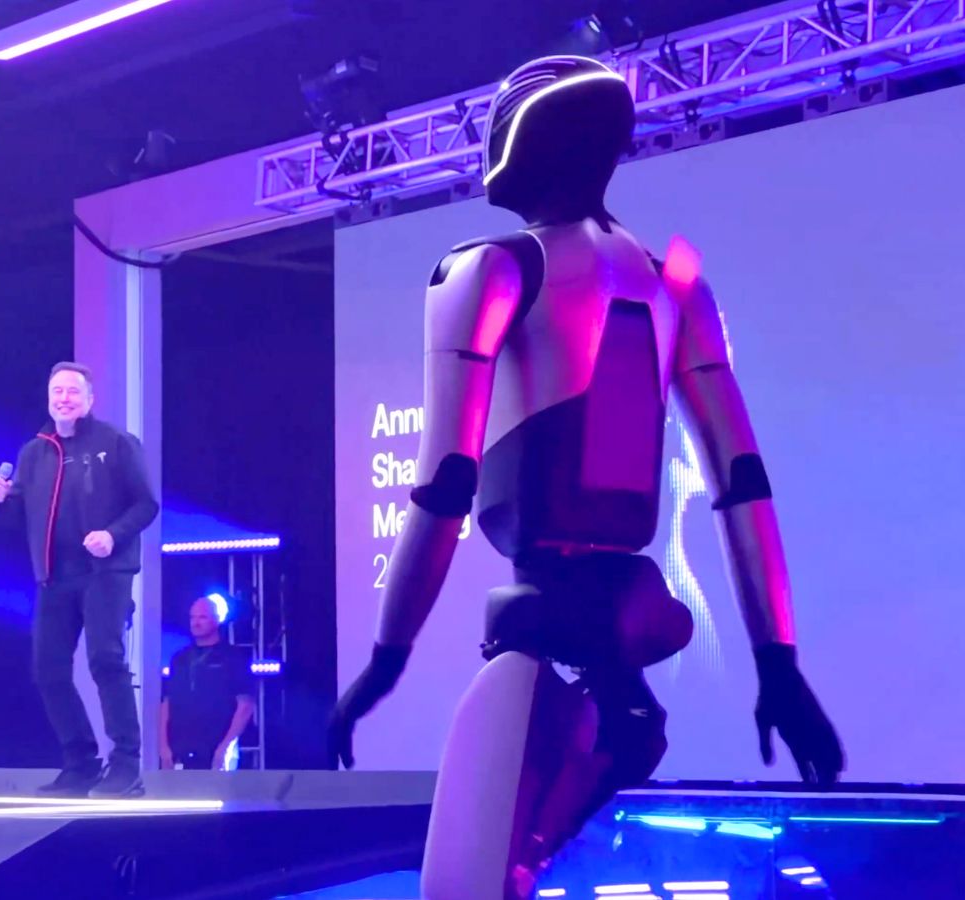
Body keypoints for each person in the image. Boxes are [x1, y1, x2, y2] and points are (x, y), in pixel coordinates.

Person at [327, 56, 844, 900]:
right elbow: (741, 482)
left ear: (520, 143)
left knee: (470, 866)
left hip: (544, 617)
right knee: (583, 781)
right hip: (625, 619)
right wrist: (778, 663)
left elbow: (446, 481)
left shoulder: (489, 269)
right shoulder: (675, 287)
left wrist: (386, 660)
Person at [0, 361, 160, 798]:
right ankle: (80, 763)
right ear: (48, 398)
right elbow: (16, 520)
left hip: (105, 572)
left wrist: (112, 535)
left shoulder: (115, 443)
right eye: (57, 391)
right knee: (48, 669)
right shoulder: (34, 452)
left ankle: (126, 765)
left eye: (72, 391)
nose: (63, 398)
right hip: (54, 576)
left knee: (105, 660)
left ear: (89, 398)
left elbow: (146, 504)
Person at [160, 597, 256, 770]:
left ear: (217, 620)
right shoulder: (180, 659)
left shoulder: (233, 657)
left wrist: (226, 746)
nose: (196, 622)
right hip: (180, 750)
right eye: (193, 617)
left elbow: (246, 705)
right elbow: (166, 703)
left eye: (202, 617)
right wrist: (163, 746)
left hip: (218, 748)